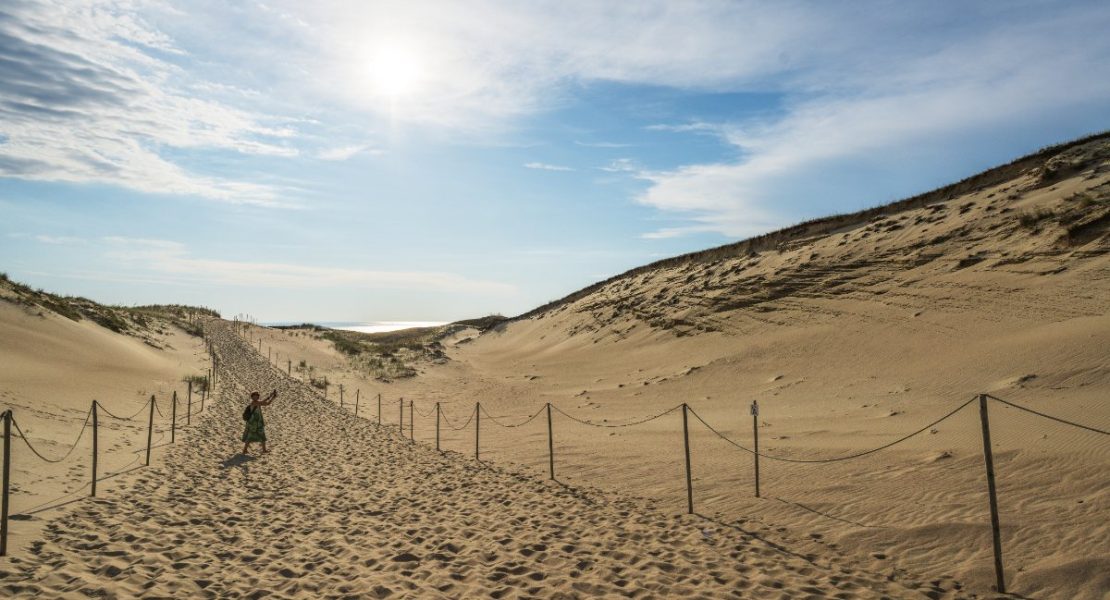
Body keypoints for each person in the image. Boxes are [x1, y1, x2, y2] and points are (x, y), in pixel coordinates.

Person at [242, 389, 277, 455]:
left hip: (259, 422)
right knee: (250, 436)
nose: (256, 397)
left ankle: (264, 450)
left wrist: (273, 397)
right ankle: (244, 450)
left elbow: (267, 403)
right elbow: (263, 402)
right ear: (252, 397)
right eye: (254, 396)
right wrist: (270, 395)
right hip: (252, 422)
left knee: (262, 435)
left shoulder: (257, 402)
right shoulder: (253, 403)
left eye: (257, 396)